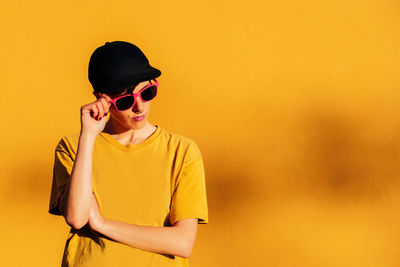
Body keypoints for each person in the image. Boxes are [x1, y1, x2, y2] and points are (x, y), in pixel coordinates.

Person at [48, 41, 209, 267]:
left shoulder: (181, 151)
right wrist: (89, 136)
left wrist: (102, 224)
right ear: (101, 98)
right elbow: (76, 217)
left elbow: (182, 242)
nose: (139, 107)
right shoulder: (73, 147)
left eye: (146, 93)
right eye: (125, 101)